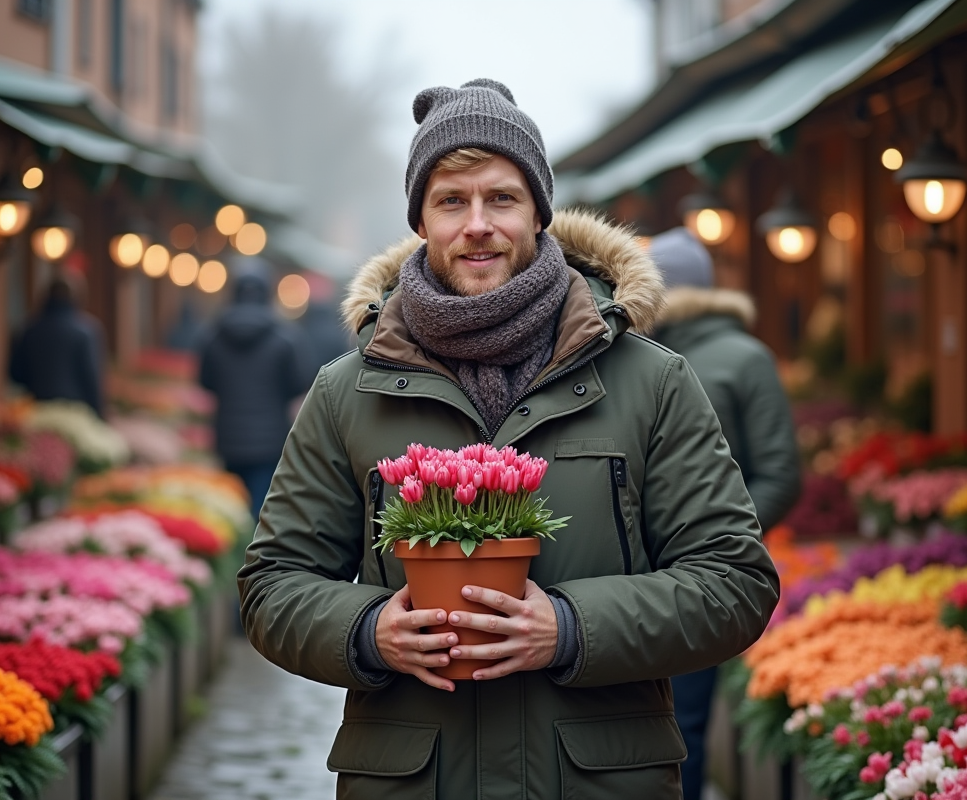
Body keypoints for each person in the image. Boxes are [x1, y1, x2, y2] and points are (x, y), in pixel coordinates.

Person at [239, 78, 779, 799]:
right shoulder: (348, 391)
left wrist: (571, 627)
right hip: (414, 778)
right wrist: (368, 631)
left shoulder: (650, 381)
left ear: (538, 214)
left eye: (501, 198)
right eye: (451, 201)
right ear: (422, 220)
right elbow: (272, 583)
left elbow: (735, 581)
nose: (477, 225)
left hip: (594, 778)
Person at [650, 225, 803, 800]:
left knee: (681, 731)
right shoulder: (624, 354)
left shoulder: (743, 359)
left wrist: (713, 546)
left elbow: (780, 474)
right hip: (617, 584)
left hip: (696, 584)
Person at [199, 268, 307, 518]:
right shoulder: (284, 338)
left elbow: (205, 382)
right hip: (270, 439)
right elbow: (297, 384)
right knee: (262, 508)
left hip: (227, 437)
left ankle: (236, 551)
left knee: (231, 507)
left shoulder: (214, 336)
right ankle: (257, 554)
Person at [9, 276, 106, 417]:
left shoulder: (29, 329)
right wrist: (100, 415)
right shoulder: (87, 330)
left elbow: (15, 373)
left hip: (37, 409)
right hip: (75, 411)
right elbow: (91, 378)